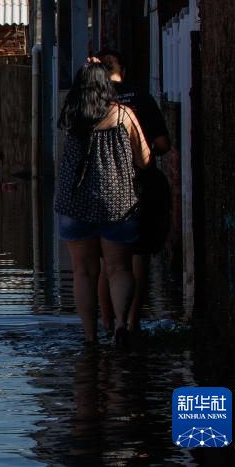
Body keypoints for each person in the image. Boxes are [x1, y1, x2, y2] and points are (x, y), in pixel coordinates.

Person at [55, 63, 151, 347]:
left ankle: (90, 336)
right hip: (117, 203)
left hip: (75, 204)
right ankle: (121, 323)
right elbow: (144, 159)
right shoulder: (124, 115)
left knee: (83, 272)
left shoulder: (72, 118)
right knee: (119, 268)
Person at [95, 49, 172, 333]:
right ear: (122, 71)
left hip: (104, 188)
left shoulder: (93, 102)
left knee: (108, 262)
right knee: (139, 256)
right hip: (142, 184)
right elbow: (163, 144)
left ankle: (106, 323)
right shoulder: (139, 98)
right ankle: (131, 323)